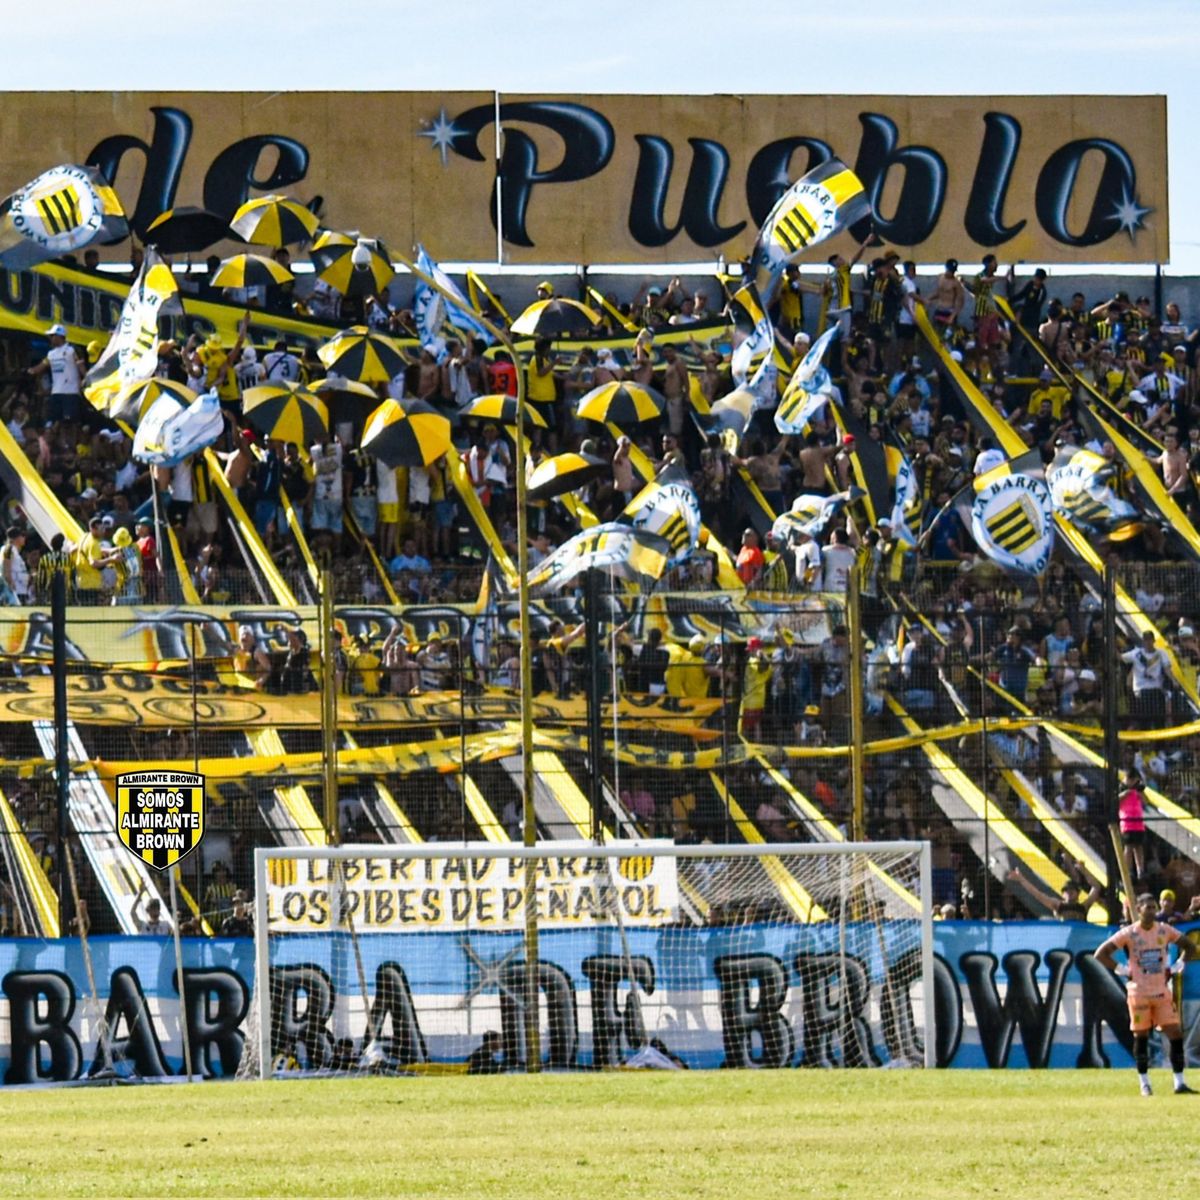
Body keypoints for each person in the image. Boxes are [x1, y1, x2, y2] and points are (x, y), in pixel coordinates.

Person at [1094, 892, 1197, 1096]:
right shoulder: (1129, 933)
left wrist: (1178, 965)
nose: (1151, 911)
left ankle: (1179, 1083)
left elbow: (1189, 946)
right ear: (1138, 909)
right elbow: (1101, 954)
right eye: (1147, 907)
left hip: (1160, 991)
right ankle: (1145, 1084)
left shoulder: (1163, 930)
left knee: (1175, 1034)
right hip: (1139, 992)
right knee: (1141, 1037)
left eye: (1152, 907)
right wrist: (1123, 970)